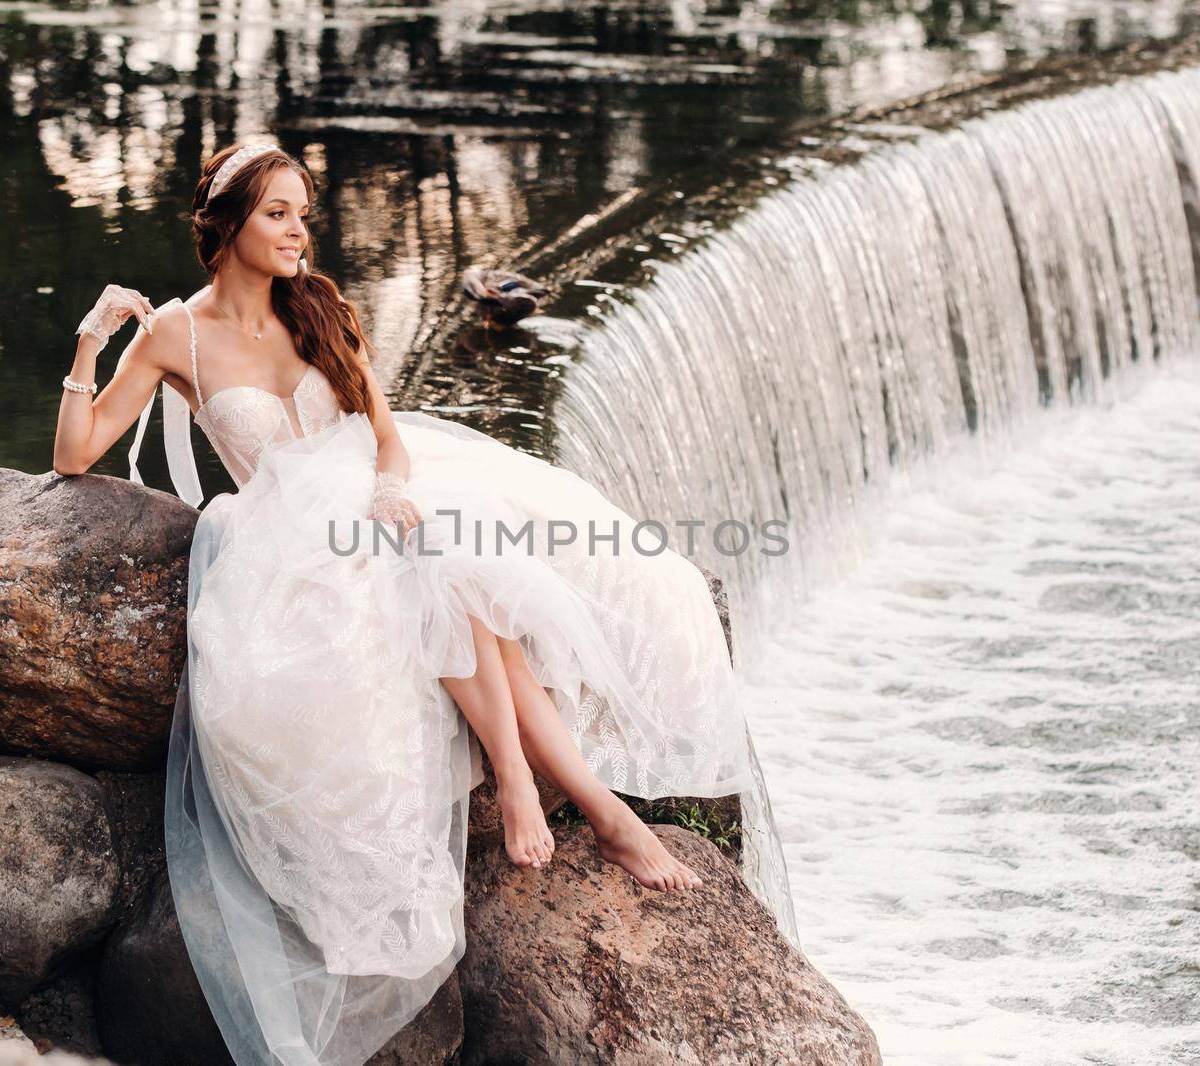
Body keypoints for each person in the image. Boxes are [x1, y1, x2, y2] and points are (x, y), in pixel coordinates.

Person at [52, 142, 797, 1066]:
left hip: (379, 497)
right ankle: (583, 803)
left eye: (303, 213)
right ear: (230, 222)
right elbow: (75, 456)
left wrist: (390, 490)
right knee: (434, 562)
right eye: (279, 213)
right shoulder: (175, 335)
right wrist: (92, 339)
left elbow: (387, 440)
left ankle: (544, 787)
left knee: (444, 543)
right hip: (285, 531)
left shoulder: (319, 308)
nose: (298, 231)